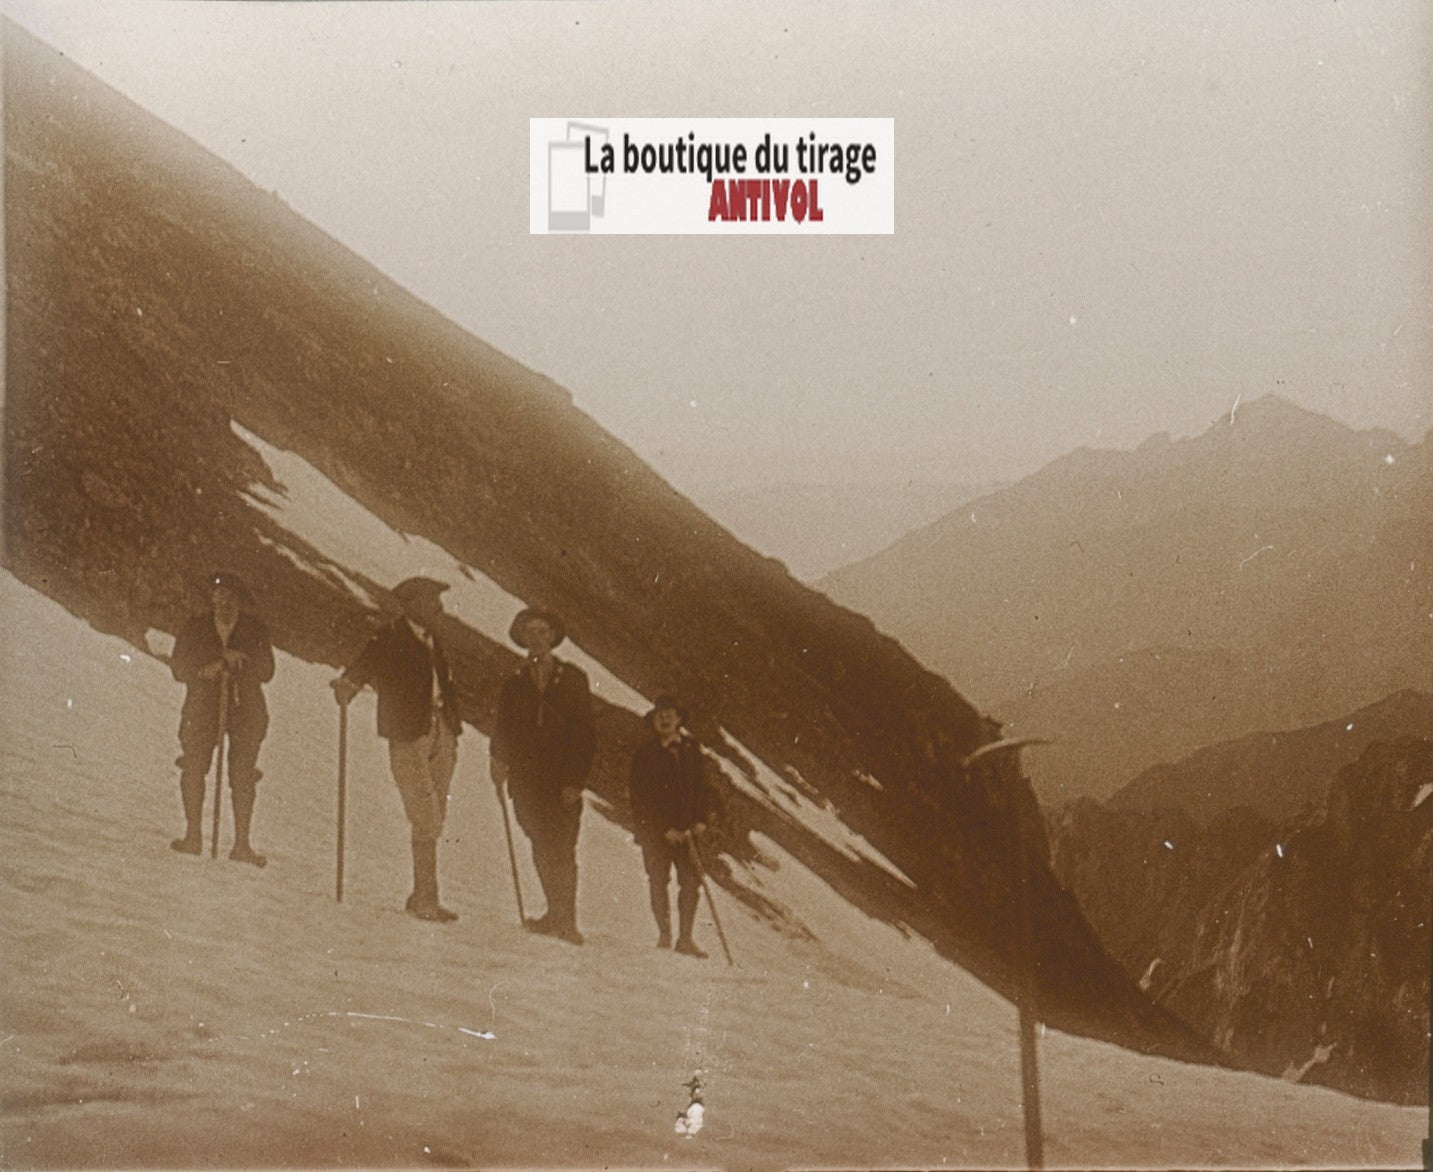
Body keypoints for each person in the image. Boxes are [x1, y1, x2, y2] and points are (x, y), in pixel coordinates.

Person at [331, 577, 463, 923]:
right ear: (413, 604)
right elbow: (364, 664)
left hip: (441, 731)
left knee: (435, 815)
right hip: (407, 734)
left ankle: (422, 895)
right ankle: (426, 899)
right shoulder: (391, 636)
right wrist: (348, 685)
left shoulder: (433, 640)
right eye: (432, 600)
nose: (439, 607)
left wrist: (451, 726)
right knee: (426, 815)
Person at [491, 607, 595, 945]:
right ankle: (554, 913)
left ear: (552, 637)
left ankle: (568, 921)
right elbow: (503, 727)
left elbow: (584, 733)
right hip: (526, 780)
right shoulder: (514, 682)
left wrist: (575, 781)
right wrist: (498, 760)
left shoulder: (573, 678)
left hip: (562, 781)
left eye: (542, 631)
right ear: (522, 638)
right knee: (539, 843)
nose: (536, 638)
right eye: (529, 632)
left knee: (562, 848)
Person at [169, 571, 275, 866]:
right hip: (202, 708)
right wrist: (210, 665)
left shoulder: (255, 630)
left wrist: (241, 662)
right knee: (193, 766)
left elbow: (267, 670)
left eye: (231, 598)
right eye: (220, 596)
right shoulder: (195, 627)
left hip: (245, 710)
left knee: (243, 775)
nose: (225, 603)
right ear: (213, 598)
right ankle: (193, 837)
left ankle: (241, 845)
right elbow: (178, 667)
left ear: (239, 602)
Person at [628, 695, 716, 957]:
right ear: (653, 721)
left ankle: (685, 938)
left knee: (690, 883)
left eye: (670, 715)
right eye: (660, 716)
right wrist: (664, 829)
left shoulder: (691, 750)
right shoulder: (645, 755)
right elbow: (640, 799)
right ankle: (665, 933)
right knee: (658, 880)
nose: (665, 720)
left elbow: (703, 788)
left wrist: (700, 820)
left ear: (679, 719)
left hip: (688, 833)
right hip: (657, 834)